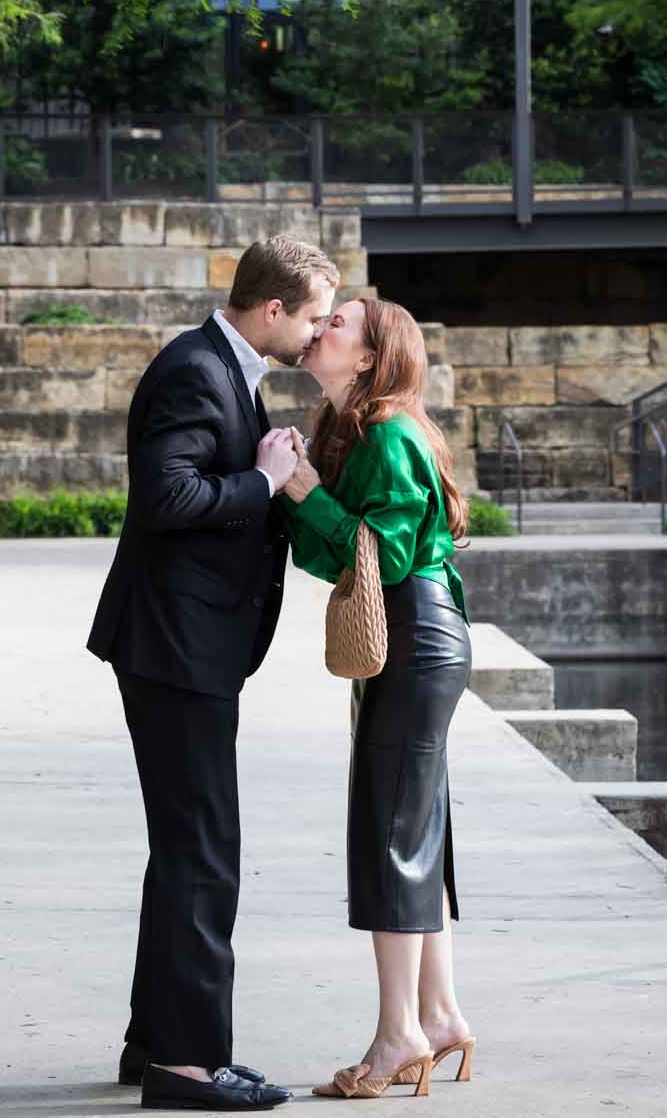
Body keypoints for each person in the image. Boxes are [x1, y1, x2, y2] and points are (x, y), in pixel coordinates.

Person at [87, 236, 339, 1112]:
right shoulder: (196, 369)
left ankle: (154, 1041)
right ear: (272, 309)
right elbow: (167, 499)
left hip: (183, 647)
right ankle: (189, 1064)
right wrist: (264, 483)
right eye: (310, 318)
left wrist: (267, 468)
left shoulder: (225, 370)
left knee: (184, 849)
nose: (314, 337)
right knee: (205, 852)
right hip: (174, 648)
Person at [279, 297, 477, 1101]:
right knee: (414, 825)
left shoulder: (390, 433)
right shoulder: (360, 431)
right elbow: (334, 552)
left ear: (366, 357)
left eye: (339, 324)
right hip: (415, 636)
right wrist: (306, 487)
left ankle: (399, 1032)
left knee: (390, 828)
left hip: (416, 633)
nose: (320, 327)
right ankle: (439, 1014)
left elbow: (384, 554)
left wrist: (301, 489)